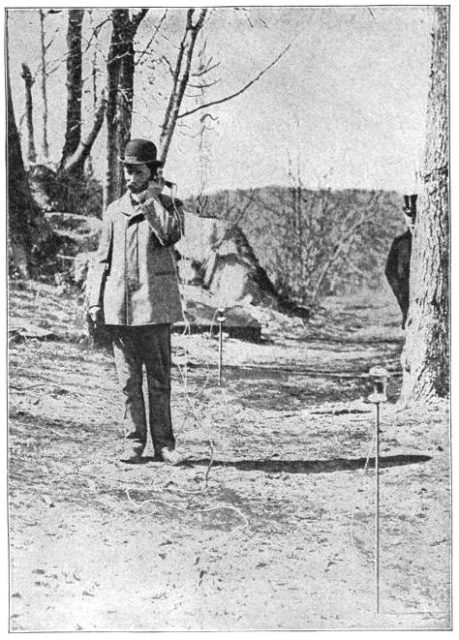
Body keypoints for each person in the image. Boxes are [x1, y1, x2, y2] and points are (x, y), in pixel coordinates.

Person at [87, 139, 184, 464]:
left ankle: (164, 445)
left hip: (154, 307)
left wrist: (153, 200)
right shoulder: (114, 211)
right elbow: (102, 259)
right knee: (128, 382)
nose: (130, 176)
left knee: (159, 381)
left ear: (153, 172)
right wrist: (93, 301)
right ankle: (134, 443)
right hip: (120, 308)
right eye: (126, 169)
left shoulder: (169, 205)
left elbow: (170, 236)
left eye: (137, 170)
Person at [385, 194, 417, 329]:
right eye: (408, 215)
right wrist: (402, 297)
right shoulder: (400, 242)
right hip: (407, 300)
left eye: (415, 214)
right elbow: (389, 272)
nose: (412, 219)